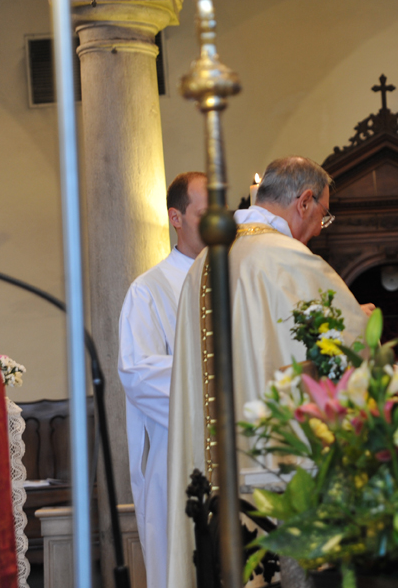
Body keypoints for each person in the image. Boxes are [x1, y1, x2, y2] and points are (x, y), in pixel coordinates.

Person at [165, 156, 373, 588]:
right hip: (272, 479)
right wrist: (365, 323)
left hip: (210, 478)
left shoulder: (204, 263)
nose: (319, 229)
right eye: (323, 215)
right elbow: (349, 354)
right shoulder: (290, 261)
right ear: (305, 201)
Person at [118, 171, 208, 588]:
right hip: (179, 458)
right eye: (205, 213)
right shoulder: (148, 290)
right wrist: (213, 377)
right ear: (177, 217)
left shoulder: (239, 277)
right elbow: (137, 372)